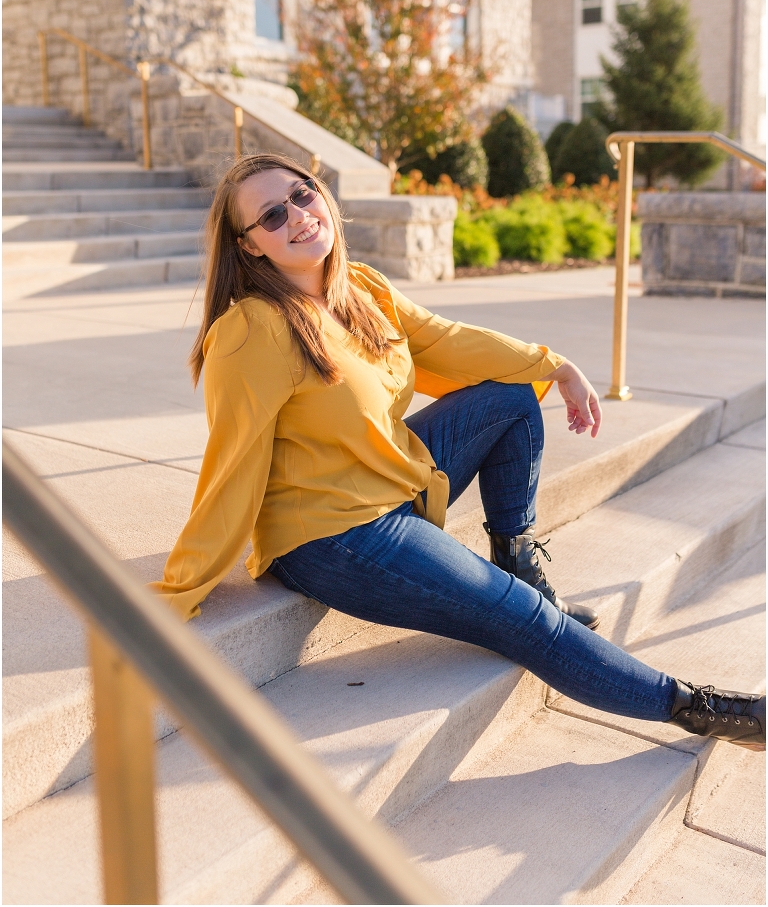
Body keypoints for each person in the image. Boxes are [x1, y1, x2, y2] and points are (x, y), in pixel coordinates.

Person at [152, 153, 765, 750]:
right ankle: (703, 709)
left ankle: (517, 563)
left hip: (393, 479)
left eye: (301, 194)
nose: (297, 215)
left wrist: (554, 365)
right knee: (525, 621)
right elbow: (232, 466)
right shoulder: (250, 331)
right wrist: (178, 591)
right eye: (271, 216)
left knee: (511, 398)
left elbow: (445, 341)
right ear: (249, 246)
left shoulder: (359, 287)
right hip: (334, 536)